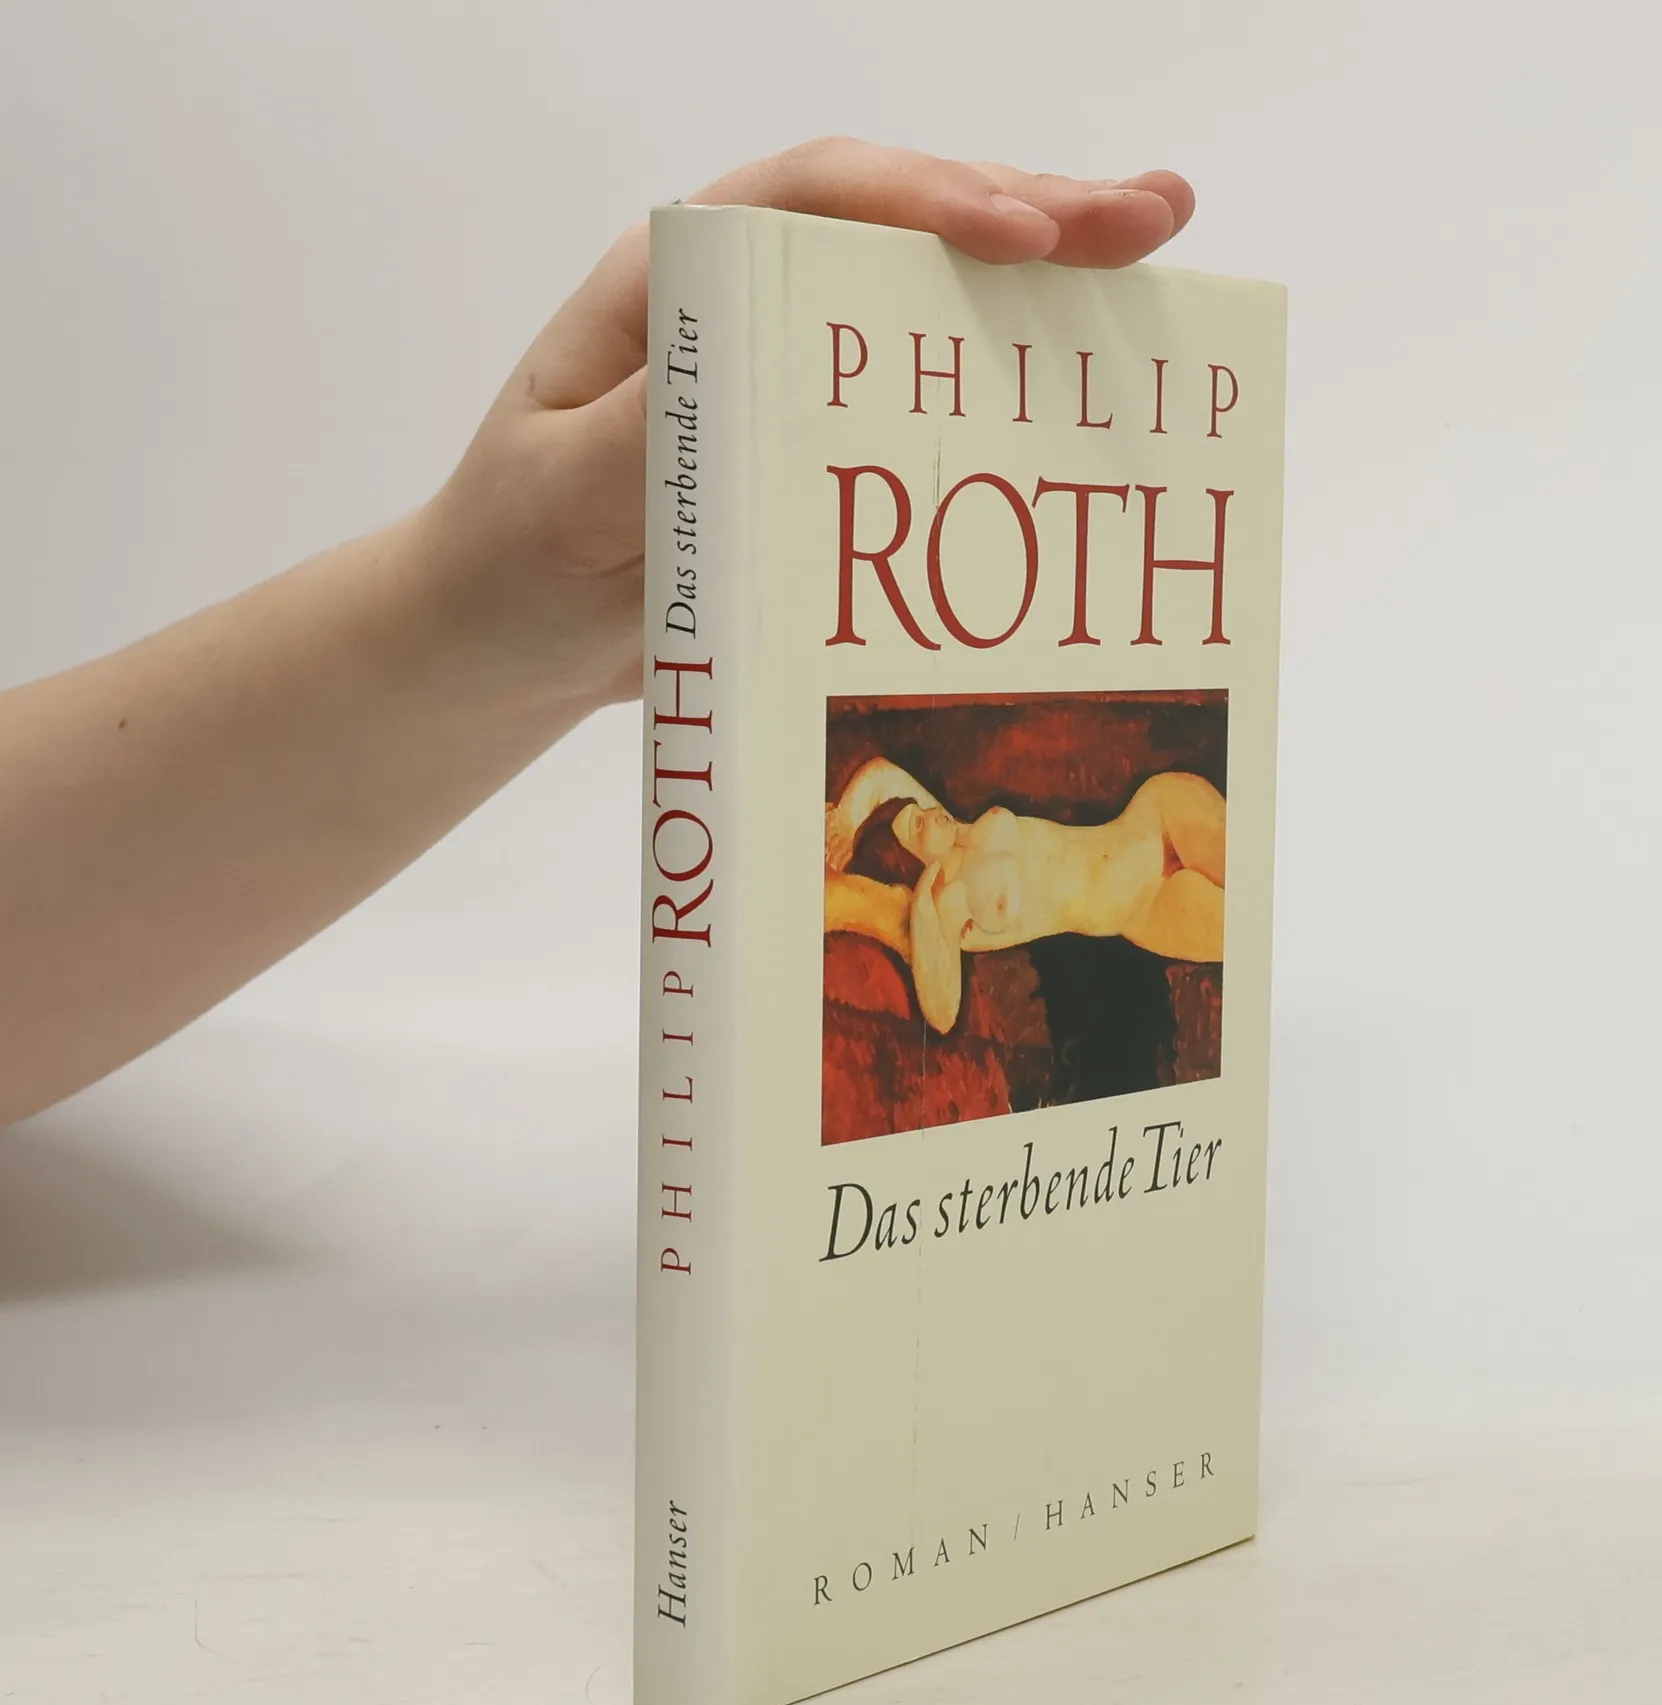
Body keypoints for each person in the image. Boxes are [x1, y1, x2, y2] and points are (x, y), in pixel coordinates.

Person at [0, 140, 1195, 1129]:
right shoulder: (942, 891)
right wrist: (889, 894)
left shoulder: (958, 839)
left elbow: (890, 801)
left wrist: (476, 610)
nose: (937, 848)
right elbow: (931, 977)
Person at [825, 755, 1226, 1033]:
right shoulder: (952, 909)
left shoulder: (963, 830)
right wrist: (923, 911)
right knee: (1254, 933)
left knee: (1259, 875)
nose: (931, 812)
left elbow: (884, 777)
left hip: (1154, 816)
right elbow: (942, 1014)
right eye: (919, 824)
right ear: (918, 862)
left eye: (924, 809)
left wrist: (846, 817)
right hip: (1144, 908)